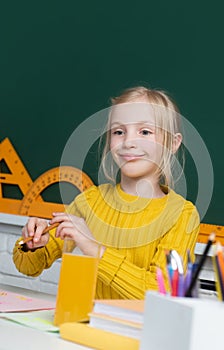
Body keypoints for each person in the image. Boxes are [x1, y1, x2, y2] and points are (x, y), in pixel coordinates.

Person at [13, 86, 200, 299]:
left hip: (138, 332)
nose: (129, 142)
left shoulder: (182, 216)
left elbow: (161, 293)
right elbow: (29, 267)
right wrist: (32, 244)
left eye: (145, 132)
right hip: (84, 326)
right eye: (118, 132)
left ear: (173, 143)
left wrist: (95, 250)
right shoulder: (90, 201)